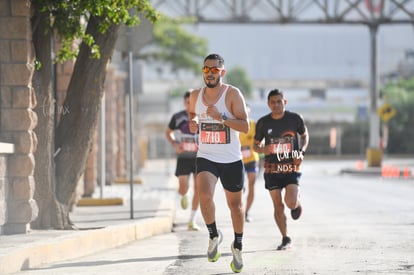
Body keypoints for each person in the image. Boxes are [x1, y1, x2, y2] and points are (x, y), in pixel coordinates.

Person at [188, 53, 249, 273]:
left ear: (222, 72)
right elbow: (195, 116)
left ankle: (238, 244)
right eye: (206, 69)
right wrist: (195, 123)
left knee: (235, 206)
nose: (210, 73)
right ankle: (214, 235)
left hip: (231, 159)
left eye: (215, 70)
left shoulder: (232, 94)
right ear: (203, 71)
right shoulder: (196, 94)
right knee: (204, 195)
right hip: (207, 155)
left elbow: (245, 126)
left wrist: (222, 117)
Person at [253, 88, 309, 251]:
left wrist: (302, 151)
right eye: (273, 102)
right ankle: (285, 238)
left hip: (291, 167)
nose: (276, 105)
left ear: (285, 102)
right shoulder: (263, 123)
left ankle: (296, 204)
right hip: (272, 170)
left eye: (279, 101)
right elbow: (255, 146)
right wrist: (265, 150)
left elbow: (305, 135)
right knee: (277, 205)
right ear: (268, 104)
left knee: (289, 202)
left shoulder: (295, 119)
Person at [165, 91, 200, 231]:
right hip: (183, 158)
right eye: (187, 102)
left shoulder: (201, 117)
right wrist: (175, 145)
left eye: (192, 102)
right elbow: (168, 132)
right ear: (185, 102)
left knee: (199, 189)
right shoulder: (178, 117)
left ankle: (192, 220)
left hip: (199, 157)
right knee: (183, 186)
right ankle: (185, 194)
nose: (189, 104)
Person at [239, 104, 259, 223]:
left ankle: (246, 212)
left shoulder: (254, 125)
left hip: (252, 159)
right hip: (238, 161)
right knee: (240, 188)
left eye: (247, 113)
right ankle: (240, 210)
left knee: (252, 184)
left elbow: (261, 140)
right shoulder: (236, 126)